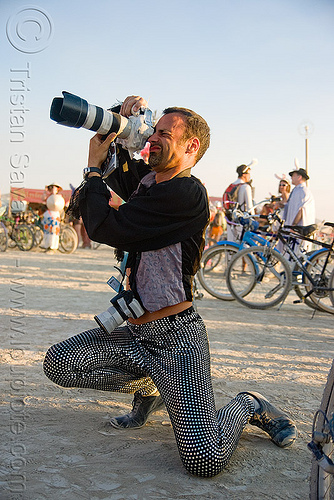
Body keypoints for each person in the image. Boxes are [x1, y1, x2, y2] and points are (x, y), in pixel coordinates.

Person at [43, 96, 297, 478]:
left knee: (204, 461)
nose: (153, 138)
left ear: (191, 146)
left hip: (177, 340)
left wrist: (92, 171)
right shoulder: (148, 181)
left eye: (165, 133)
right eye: (154, 130)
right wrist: (121, 118)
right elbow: (121, 163)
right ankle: (150, 388)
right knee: (59, 363)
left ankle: (248, 403)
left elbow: (107, 226)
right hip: (137, 334)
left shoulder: (186, 193)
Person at [283, 168, 316, 253]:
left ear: (299, 177)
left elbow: (302, 209)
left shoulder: (303, 191)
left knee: (297, 253)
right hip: (293, 228)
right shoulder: (296, 190)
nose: (291, 178)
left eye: (293, 176)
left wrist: (294, 225)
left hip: (298, 228)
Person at [224, 164, 255, 242]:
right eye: (249, 174)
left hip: (230, 220)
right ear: (244, 175)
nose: (249, 176)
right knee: (243, 248)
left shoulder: (231, 185)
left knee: (231, 246)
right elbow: (249, 207)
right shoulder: (245, 187)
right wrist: (254, 218)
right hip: (241, 221)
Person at [40, 182, 65, 252]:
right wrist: (45, 191)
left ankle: (54, 246)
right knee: (47, 231)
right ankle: (47, 245)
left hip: (55, 215)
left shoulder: (59, 197)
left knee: (54, 232)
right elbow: (43, 199)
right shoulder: (48, 196)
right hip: (48, 215)